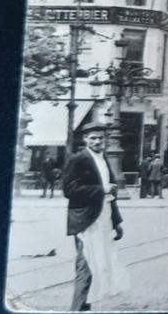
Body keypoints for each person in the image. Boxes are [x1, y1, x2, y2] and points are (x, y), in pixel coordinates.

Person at [63, 122, 128, 310]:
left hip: (104, 218)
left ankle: (84, 307)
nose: (97, 141)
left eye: (101, 138)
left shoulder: (103, 158)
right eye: (93, 138)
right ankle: (76, 309)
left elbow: (112, 194)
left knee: (98, 266)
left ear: (106, 139)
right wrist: (101, 189)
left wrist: (116, 222)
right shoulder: (78, 159)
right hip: (86, 221)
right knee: (86, 267)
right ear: (85, 139)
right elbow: (69, 190)